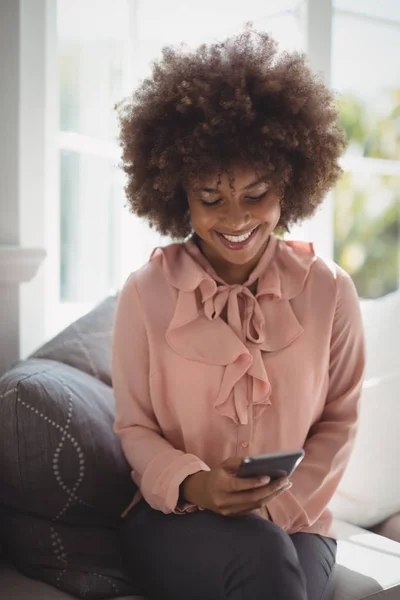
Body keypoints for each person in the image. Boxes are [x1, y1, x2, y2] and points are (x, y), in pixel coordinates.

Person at [112, 24, 366, 600]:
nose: (235, 220)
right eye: (210, 199)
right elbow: (134, 427)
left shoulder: (331, 293)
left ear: (290, 182)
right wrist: (198, 486)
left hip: (299, 520)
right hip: (173, 519)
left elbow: (339, 422)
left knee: (271, 552)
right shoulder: (145, 294)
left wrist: (277, 504)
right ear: (177, 191)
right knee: (266, 559)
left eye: (256, 195)